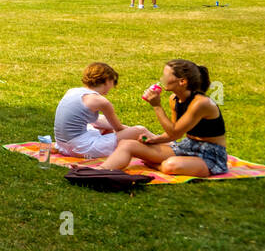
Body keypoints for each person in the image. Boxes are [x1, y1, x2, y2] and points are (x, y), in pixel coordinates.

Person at [90, 60, 227, 177]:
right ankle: (98, 172)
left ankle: (157, 165)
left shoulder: (201, 103)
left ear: (182, 81)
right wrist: (155, 139)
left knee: (170, 165)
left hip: (211, 154)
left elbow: (175, 132)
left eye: (166, 76)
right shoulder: (174, 99)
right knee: (127, 144)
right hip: (188, 146)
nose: (162, 79)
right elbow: (172, 133)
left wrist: (156, 106)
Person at [53, 62, 150, 158]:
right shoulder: (101, 101)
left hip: (62, 146)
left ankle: (149, 140)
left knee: (101, 121)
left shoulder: (72, 91)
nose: (113, 86)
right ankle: (154, 141)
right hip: (81, 149)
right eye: (113, 82)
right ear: (107, 80)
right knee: (140, 130)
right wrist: (131, 130)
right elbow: (119, 129)